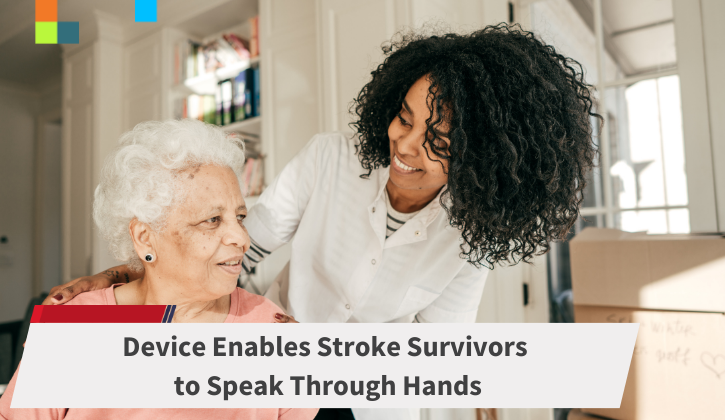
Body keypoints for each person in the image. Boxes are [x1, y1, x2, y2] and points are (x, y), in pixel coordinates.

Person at [44, 24, 600, 420]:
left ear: (478, 157)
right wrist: (138, 276)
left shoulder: (470, 236)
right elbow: (244, 249)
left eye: (436, 142)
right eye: (402, 118)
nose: (404, 146)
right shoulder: (331, 159)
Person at [0, 120, 319, 420]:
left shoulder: (271, 329)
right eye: (212, 220)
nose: (242, 239)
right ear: (145, 238)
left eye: (240, 217)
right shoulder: (78, 323)